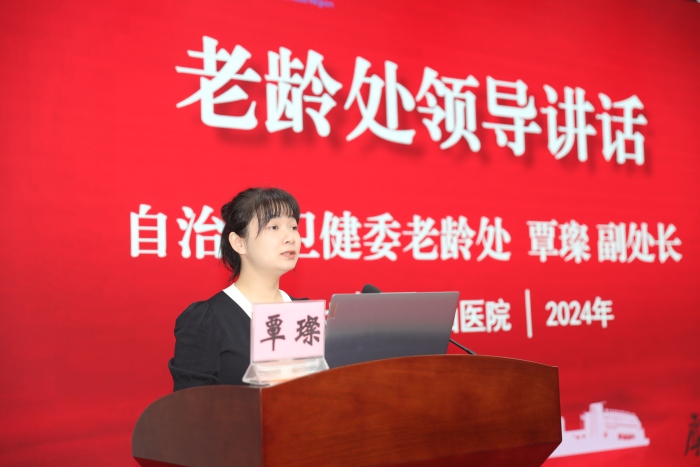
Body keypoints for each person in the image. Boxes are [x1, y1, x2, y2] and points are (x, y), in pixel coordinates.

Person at [168, 188, 303, 391]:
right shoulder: (207, 320)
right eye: (274, 227)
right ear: (239, 243)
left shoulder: (304, 313)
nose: (290, 237)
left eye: (293, 227)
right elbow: (191, 405)